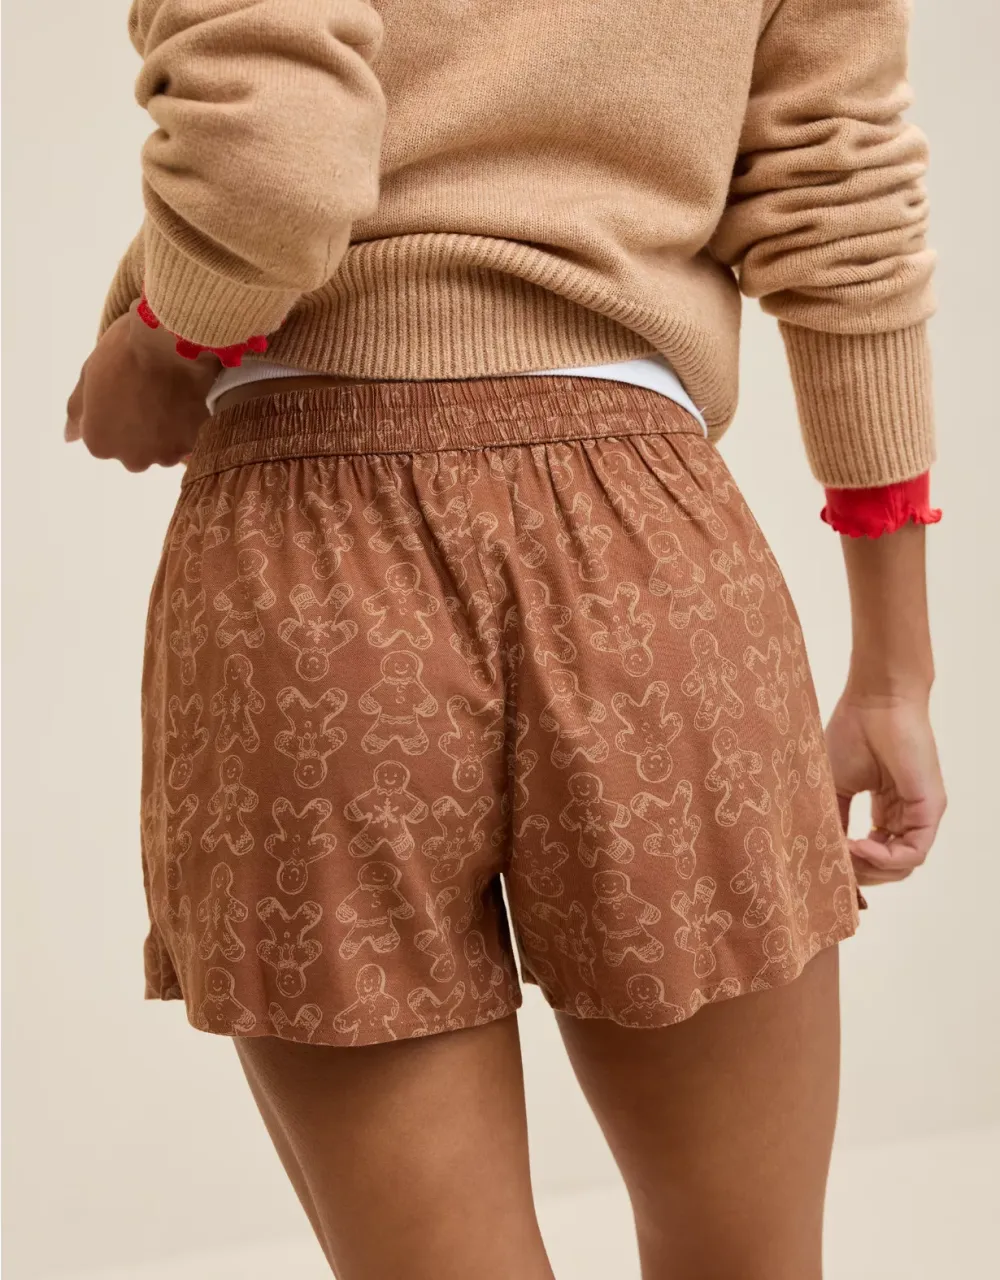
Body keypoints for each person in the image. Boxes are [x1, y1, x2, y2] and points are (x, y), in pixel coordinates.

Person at [66, 2, 947, 1277]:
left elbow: (274, 153)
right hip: (648, 549)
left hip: (306, 563)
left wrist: (172, 336)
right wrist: (894, 668)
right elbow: (838, 188)